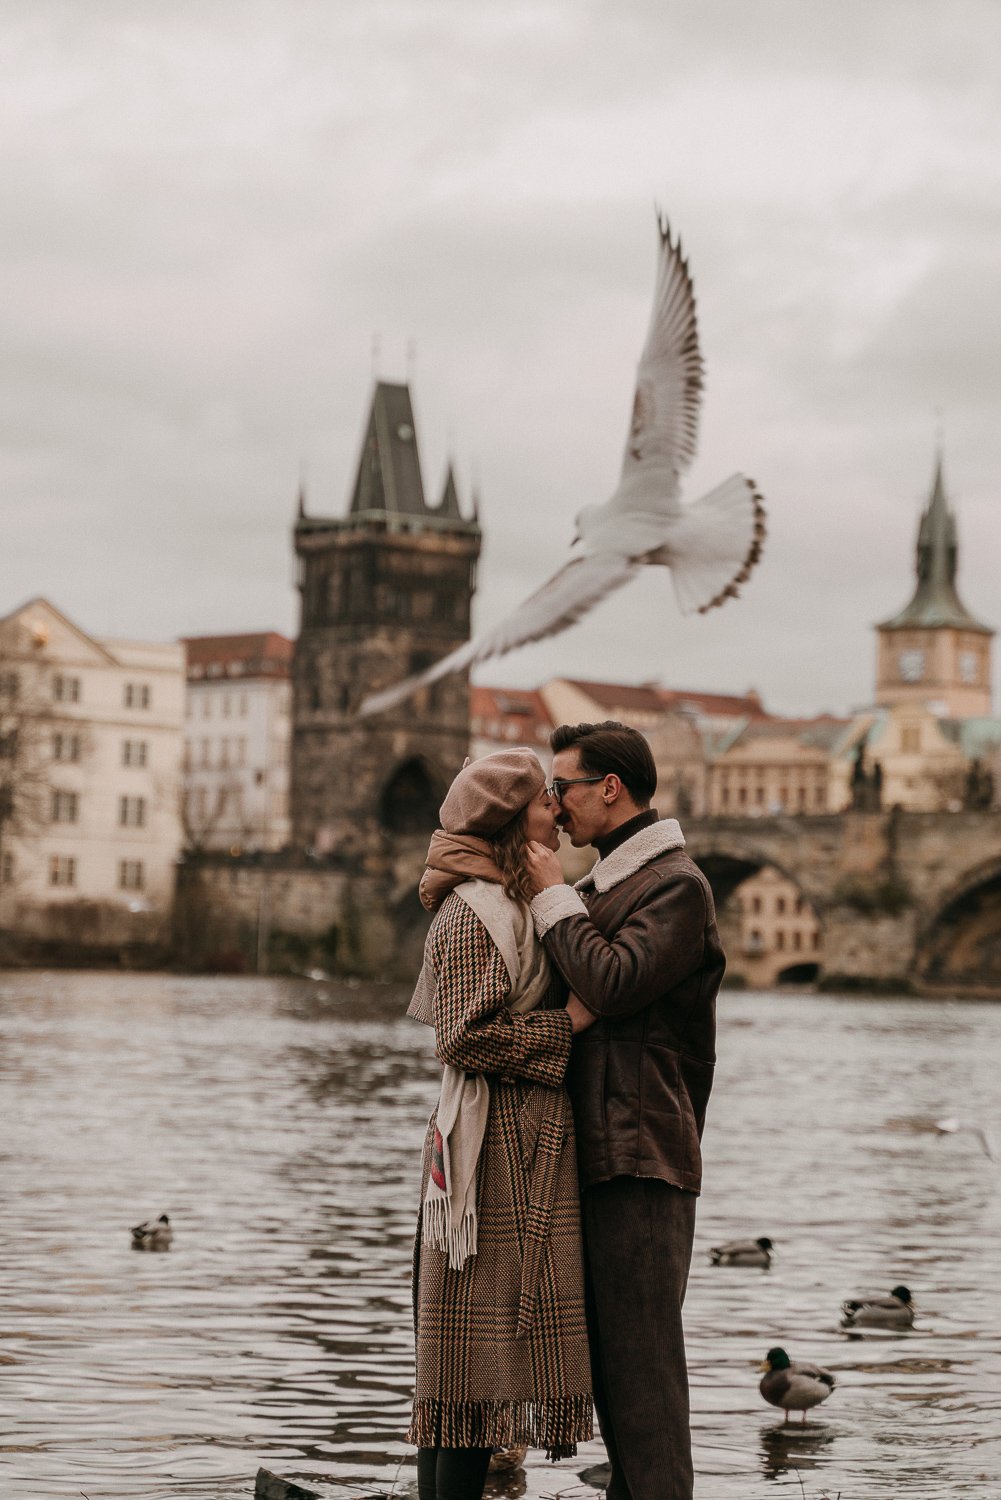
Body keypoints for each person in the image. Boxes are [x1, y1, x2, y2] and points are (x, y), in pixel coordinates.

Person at [523, 721, 724, 1500]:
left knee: (643, 1380)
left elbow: (610, 983)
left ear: (609, 789)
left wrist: (550, 896)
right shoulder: (605, 887)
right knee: (614, 1376)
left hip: (642, 1155)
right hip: (600, 1151)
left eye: (562, 787)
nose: (554, 804)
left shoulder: (676, 886)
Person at [407, 748, 593, 1500]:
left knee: (482, 1362)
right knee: (468, 1368)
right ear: (514, 820)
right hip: (488, 1149)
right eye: (546, 799)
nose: (558, 809)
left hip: (522, 1139)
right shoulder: (472, 911)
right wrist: (567, 1025)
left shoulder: (513, 899)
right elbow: (462, 1038)